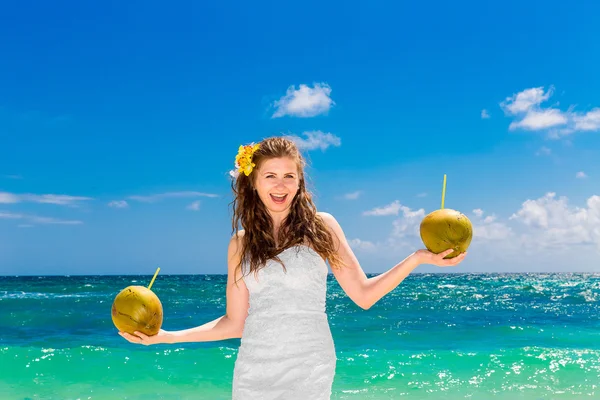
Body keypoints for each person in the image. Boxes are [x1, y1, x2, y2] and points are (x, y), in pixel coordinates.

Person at [119, 136, 467, 399]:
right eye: (270, 175)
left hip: (310, 364)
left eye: (289, 175)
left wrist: (418, 258)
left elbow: (363, 295)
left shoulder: (323, 226)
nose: (281, 185)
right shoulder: (239, 244)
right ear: (253, 182)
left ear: (300, 182)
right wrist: (167, 337)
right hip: (255, 370)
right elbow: (234, 323)